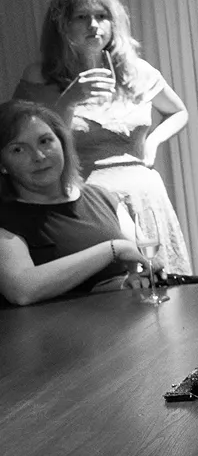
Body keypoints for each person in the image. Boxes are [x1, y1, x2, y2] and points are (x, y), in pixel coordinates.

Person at [13, 0, 193, 274]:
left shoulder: (136, 70)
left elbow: (179, 112)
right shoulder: (40, 77)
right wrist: (69, 100)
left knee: (164, 286)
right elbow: (24, 141)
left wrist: (152, 142)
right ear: (61, 25)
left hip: (146, 197)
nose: (93, 25)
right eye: (81, 17)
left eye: (101, 16)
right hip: (91, 205)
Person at [0, 101, 149, 305]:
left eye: (45, 141)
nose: (39, 156)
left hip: (125, 324)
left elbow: (144, 259)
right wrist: (111, 249)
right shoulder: (6, 218)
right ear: (3, 165)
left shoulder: (101, 196)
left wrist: (133, 280)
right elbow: (22, 290)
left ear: (62, 143)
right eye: (18, 149)